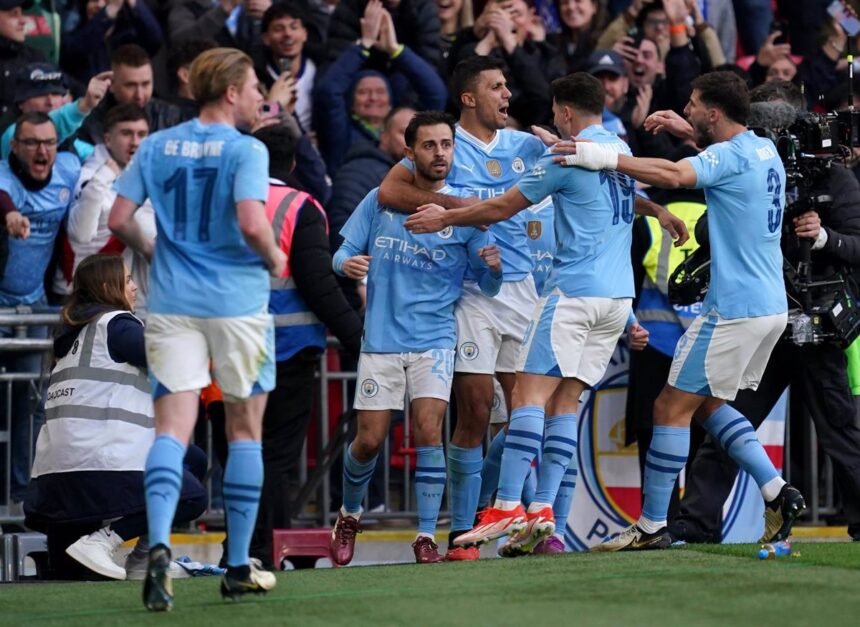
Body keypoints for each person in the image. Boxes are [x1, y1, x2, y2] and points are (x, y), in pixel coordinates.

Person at [404, 72, 672, 554]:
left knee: (528, 398)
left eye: (555, 114)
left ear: (566, 113)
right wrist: (660, 212)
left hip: (572, 294)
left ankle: (506, 505)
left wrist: (444, 216)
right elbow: (628, 198)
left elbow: (502, 208)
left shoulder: (565, 157)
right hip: (617, 301)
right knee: (565, 403)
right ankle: (543, 509)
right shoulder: (622, 154)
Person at [553, 70, 806, 551]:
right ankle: (777, 491)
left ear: (714, 112)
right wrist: (687, 132)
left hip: (732, 309)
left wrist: (601, 156)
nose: (685, 109)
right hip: (770, 306)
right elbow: (724, 156)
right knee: (708, 404)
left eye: (692, 105)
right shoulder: (764, 149)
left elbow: (673, 175)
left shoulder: (726, 157)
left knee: (669, 407)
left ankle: (651, 526)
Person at [109, 47, 285, 610]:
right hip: (237, 304)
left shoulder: (156, 145)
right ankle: (236, 565)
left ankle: (158, 546)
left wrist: (155, 250)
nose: (261, 96)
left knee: (171, 430)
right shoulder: (247, 148)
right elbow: (252, 222)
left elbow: (118, 220)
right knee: (244, 432)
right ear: (231, 91)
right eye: (255, 85)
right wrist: (276, 259)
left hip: (173, 304)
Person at [670, 84, 860, 544]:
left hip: (816, 324)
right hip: (765, 321)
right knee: (726, 423)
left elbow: (856, 243)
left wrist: (824, 240)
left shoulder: (832, 178)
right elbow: (705, 229)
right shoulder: (750, 168)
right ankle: (695, 525)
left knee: (841, 433)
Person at [377, 55, 546, 560]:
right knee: (474, 410)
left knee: (523, 417)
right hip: (472, 293)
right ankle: (464, 532)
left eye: (507, 85)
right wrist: (467, 214)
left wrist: (655, 207)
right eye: (497, 86)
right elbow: (389, 190)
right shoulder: (447, 144)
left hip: (526, 292)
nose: (507, 94)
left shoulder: (527, 145)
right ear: (470, 97)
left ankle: (508, 519)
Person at [329, 111, 503, 565]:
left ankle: (426, 535)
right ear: (410, 152)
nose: (440, 153)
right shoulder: (380, 201)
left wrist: (493, 268)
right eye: (429, 145)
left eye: (446, 144)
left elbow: (486, 286)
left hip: (434, 339)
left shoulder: (465, 215)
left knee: (429, 431)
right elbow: (344, 250)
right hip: (381, 339)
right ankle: (349, 514)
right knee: (369, 439)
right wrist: (344, 265)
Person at [24, 254, 207, 581]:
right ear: (109, 288)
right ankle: (111, 543)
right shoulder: (117, 324)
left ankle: (141, 557)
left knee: (70, 573)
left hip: (55, 481)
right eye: (128, 280)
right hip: (102, 464)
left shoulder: (71, 338)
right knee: (190, 494)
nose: (135, 286)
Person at [248, 122, 364, 568]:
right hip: (288, 348)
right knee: (275, 454)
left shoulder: (227, 204)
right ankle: (263, 547)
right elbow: (318, 285)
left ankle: (248, 544)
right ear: (294, 161)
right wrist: (358, 338)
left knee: (241, 449)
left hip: (228, 346)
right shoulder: (300, 206)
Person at [0, 112, 79, 504]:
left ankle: (18, 493)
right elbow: (3, 199)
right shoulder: (4, 177)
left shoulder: (68, 168)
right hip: (2, 307)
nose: (42, 150)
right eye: (31, 142)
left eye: (49, 142)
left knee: (28, 402)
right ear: (15, 146)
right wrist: (10, 215)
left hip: (33, 307)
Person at [57, 104, 154, 311]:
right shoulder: (91, 177)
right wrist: (99, 184)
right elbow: (80, 235)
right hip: (78, 297)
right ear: (108, 139)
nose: (135, 142)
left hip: (120, 295)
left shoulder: (144, 176)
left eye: (142, 134)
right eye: (127, 133)